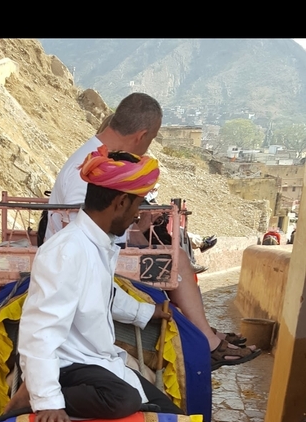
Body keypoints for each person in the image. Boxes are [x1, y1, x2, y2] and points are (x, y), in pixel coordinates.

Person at [44, 93, 259, 367]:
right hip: (88, 266)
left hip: (95, 256)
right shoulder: (91, 171)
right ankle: (206, 339)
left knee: (170, 254)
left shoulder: (96, 158)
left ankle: (203, 334)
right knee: (176, 261)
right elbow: (93, 246)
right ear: (142, 135)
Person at [18, 149, 182, 422]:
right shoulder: (67, 250)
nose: (136, 216)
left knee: (177, 420)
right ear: (120, 202)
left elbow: (105, 295)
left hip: (98, 361)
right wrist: (47, 400)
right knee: (124, 399)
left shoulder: (99, 244)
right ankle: (30, 395)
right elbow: (40, 330)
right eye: (137, 206)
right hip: (70, 365)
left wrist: (148, 312)